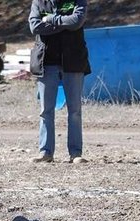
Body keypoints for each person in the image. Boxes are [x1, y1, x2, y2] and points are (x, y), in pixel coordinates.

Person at [28, 0, 91, 163]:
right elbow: (35, 26)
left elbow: (77, 22)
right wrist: (64, 22)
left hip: (74, 60)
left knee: (75, 111)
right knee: (45, 111)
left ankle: (76, 153)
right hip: (46, 62)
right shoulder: (39, 2)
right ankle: (45, 152)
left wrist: (51, 19)